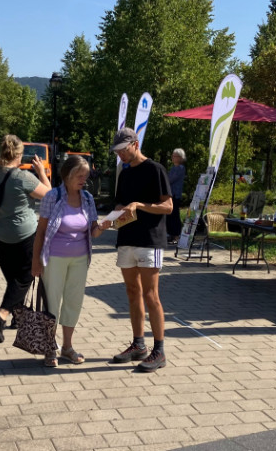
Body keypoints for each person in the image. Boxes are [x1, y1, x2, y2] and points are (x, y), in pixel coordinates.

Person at [31, 155, 108, 367]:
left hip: (80, 259)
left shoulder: (88, 199)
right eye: (80, 175)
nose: (84, 179)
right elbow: (41, 231)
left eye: (86, 176)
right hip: (54, 258)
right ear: (67, 175)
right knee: (52, 303)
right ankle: (49, 348)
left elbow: (93, 231)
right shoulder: (52, 197)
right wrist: (36, 262)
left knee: (73, 302)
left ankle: (67, 347)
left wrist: (103, 226)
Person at [109, 127, 173, 373]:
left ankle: (159, 350)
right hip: (126, 238)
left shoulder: (155, 169)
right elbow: (118, 203)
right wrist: (112, 218)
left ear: (135, 144)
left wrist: (140, 205)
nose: (121, 155)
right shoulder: (123, 174)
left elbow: (167, 207)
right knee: (131, 292)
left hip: (149, 240)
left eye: (123, 150)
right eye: (117, 152)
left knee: (151, 295)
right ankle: (138, 344)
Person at [0, 134, 51, 342]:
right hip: (23, 235)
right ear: (19, 155)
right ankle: (1, 315)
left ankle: (17, 317)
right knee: (26, 275)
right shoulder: (23, 177)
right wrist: (41, 172)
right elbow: (50, 195)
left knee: (13, 277)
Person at [166, 148, 186, 244]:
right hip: (170, 194)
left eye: (174, 156)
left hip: (175, 195)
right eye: (172, 156)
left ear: (180, 158)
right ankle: (171, 234)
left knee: (175, 215)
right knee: (169, 215)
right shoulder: (173, 168)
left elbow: (170, 179)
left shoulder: (180, 168)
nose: (172, 158)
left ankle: (176, 235)